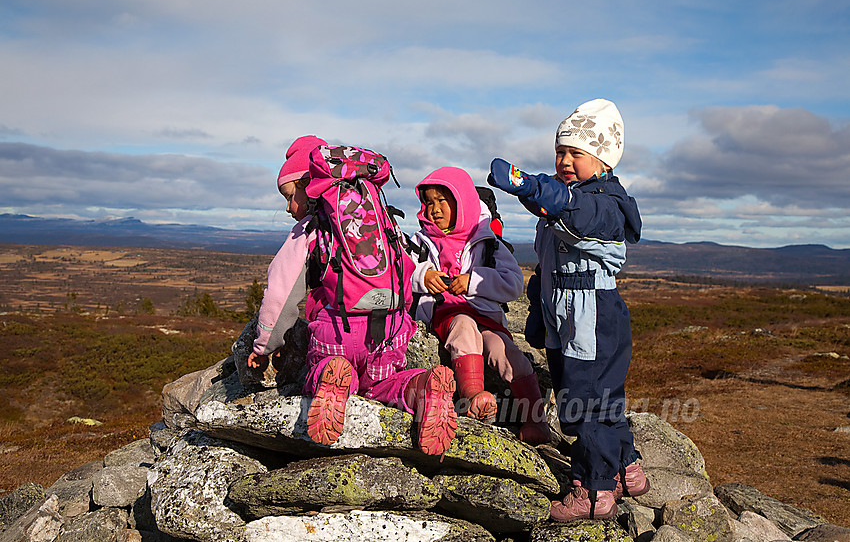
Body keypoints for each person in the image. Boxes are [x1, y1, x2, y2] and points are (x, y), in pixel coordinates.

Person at [487, 99, 649, 521]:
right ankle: (626, 467)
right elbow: (551, 237)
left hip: (591, 315)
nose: (565, 160)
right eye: (561, 152)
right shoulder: (572, 202)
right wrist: (541, 321)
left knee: (583, 404)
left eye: (576, 153)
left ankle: (594, 490)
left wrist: (527, 182)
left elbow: (566, 207)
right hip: (571, 315)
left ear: (604, 159)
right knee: (602, 398)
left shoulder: (604, 204)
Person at [248, 135, 458, 456]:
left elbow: (281, 294)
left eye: (291, 196)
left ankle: (331, 376)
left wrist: (265, 345)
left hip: (338, 332)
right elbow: (403, 271)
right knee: (385, 385)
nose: (289, 207)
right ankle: (423, 387)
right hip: (389, 329)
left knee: (319, 370)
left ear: (310, 185)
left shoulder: (311, 227)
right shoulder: (380, 216)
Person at [408, 166, 551, 446]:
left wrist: (473, 281)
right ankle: (473, 396)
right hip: (446, 313)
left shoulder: (488, 242)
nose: (434, 209)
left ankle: (536, 422)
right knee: (464, 327)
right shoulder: (420, 242)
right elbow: (401, 269)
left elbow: (512, 284)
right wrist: (423, 276)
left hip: (488, 317)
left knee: (506, 352)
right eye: (428, 202)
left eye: (442, 200)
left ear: (462, 201)